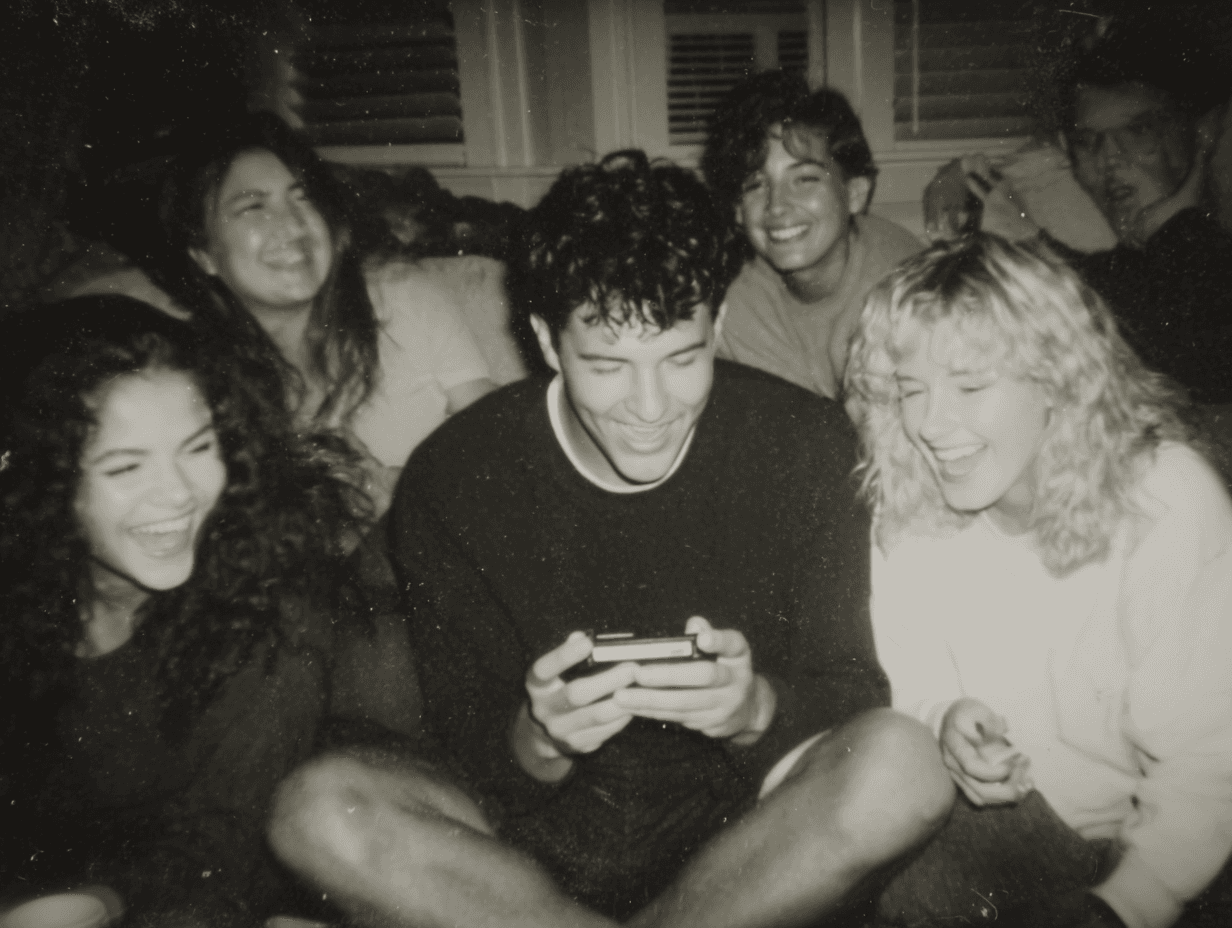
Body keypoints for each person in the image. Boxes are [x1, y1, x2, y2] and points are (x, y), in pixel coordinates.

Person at [265, 150, 953, 928]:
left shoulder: (808, 447)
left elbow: (852, 688)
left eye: (682, 358)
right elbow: (467, 743)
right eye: (608, 365)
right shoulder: (455, 476)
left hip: (743, 840)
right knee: (315, 811)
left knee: (907, 763)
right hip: (526, 856)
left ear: (717, 325)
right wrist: (540, 735)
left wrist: (756, 707)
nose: (651, 406)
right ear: (548, 343)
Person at [844, 235, 1232, 928]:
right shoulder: (907, 507)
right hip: (985, 829)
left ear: (1056, 381)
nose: (931, 425)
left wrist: (1122, 906)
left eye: (968, 385)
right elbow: (916, 688)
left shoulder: (1166, 501)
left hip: (1158, 857)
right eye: (910, 390)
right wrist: (943, 723)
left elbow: (1211, 761)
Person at [0, 296, 374, 927]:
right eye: (125, 465)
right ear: (42, 480)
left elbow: (226, 845)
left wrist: (92, 901)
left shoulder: (271, 596)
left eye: (199, 448)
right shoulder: (25, 604)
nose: (177, 493)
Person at [157, 111, 495, 507]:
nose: (295, 223)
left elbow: (499, 445)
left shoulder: (400, 296)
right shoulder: (198, 378)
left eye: (302, 198)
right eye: (253, 207)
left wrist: (391, 489)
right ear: (203, 254)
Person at [945, 24, 1232, 404]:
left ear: (1202, 131)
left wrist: (1028, 241)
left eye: (1139, 131)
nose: (1109, 160)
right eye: (1087, 142)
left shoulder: (1202, 248)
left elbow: (1177, 343)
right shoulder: (1137, 250)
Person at [701, 69, 922, 400]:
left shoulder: (905, 286)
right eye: (756, 184)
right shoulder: (736, 299)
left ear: (856, 193)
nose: (776, 205)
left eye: (804, 179)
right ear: (737, 209)